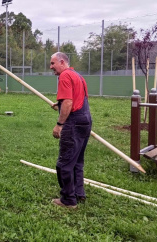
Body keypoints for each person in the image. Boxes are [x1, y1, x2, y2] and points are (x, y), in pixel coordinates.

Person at [49, 52, 92, 209]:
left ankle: (68, 199)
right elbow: (76, 98)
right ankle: (79, 194)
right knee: (77, 161)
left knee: (64, 163)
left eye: (53, 63)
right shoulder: (77, 75)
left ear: (62, 62)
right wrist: (59, 104)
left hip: (73, 122)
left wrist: (59, 124)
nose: (50, 67)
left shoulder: (65, 76)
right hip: (85, 120)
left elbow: (68, 102)